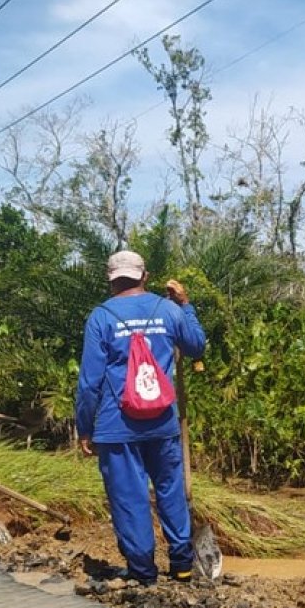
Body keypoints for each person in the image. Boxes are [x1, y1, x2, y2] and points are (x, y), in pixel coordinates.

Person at [75, 250, 206, 585]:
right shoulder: (169, 310)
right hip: (162, 423)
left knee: (130, 497)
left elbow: (90, 383)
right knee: (170, 489)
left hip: (117, 427)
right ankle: (182, 566)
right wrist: (185, 304)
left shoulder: (101, 317)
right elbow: (196, 346)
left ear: (111, 279)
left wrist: (85, 428)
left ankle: (144, 574)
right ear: (144, 276)